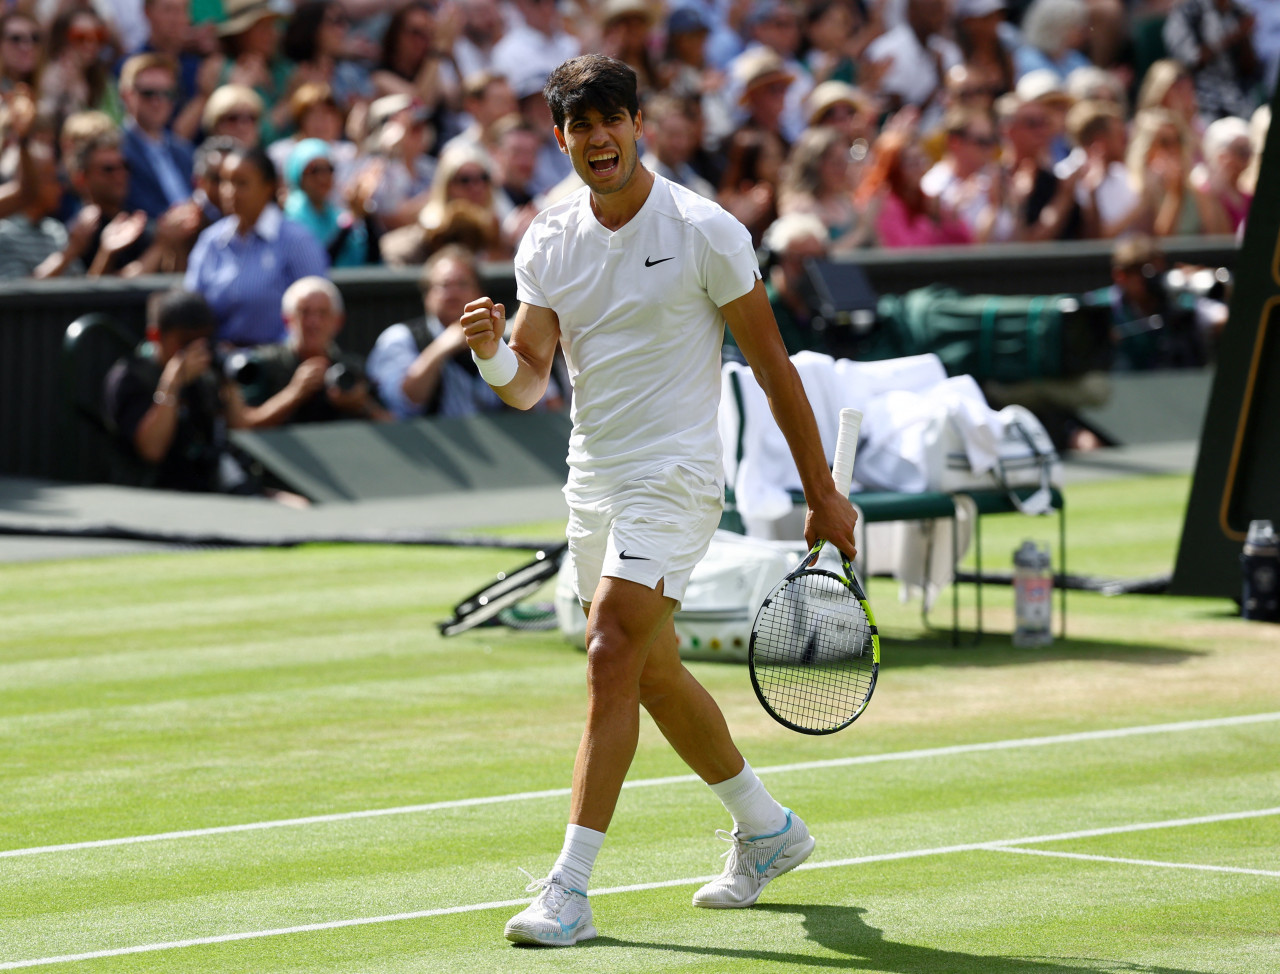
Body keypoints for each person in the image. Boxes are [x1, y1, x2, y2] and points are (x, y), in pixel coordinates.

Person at [460, 53, 857, 948]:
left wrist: (822, 491)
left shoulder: (707, 230)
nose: (598, 139)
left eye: (613, 120)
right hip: (594, 478)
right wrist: (490, 354)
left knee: (608, 651)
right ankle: (768, 830)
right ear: (561, 137)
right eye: (579, 125)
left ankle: (569, 888)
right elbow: (526, 385)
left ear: (638, 125)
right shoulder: (548, 240)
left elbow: (772, 368)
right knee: (652, 670)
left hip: (675, 477)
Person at [101, 288, 296, 493]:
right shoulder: (130, 377)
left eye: (203, 341)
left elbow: (241, 425)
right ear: (155, 336)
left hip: (210, 483)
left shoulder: (205, 375)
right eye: (186, 343)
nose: (196, 352)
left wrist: (226, 377)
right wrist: (172, 384)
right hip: (155, 491)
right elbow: (152, 450)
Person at [184, 145, 329, 345]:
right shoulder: (210, 240)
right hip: (217, 362)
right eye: (225, 182)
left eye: (241, 183)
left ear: (268, 187)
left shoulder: (297, 241)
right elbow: (193, 307)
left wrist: (274, 358)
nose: (230, 192)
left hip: (281, 364)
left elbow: (317, 312)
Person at [366, 244, 507, 419]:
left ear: (481, 293)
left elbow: (543, 401)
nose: (453, 293)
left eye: (462, 284)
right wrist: (443, 346)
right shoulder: (399, 338)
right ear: (427, 295)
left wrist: (496, 356)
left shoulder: (503, 338)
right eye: (444, 285)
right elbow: (405, 402)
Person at [235, 275, 390, 424]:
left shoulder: (354, 368)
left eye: (322, 313)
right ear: (287, 320)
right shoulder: (261, 364)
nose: (313, 323)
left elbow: (394, 426)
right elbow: (243, 424)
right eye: (304, 312)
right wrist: (294, 393)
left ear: (338, 321)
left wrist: (361, 404)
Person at [119, 52, 195, 220]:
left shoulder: (184, 151)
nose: (157, 101)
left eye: (166, 94)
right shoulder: (117, 151)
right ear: (126, 96)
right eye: (148, 93)